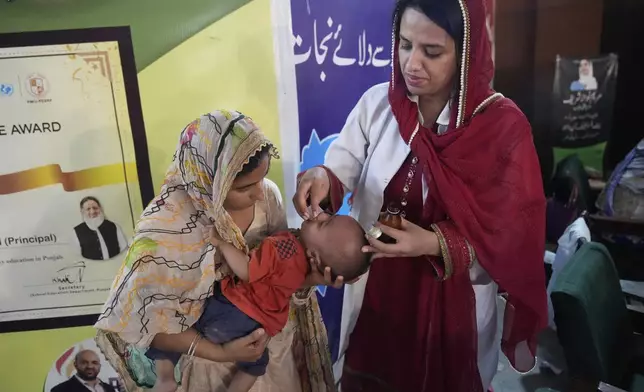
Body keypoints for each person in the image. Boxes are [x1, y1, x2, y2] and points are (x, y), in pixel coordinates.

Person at [294, 0, 548, 391]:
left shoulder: (502, 129)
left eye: (432, 52)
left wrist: (433, 242)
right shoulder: (379, 105)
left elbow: (513, 238)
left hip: (452, 306)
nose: (412, 64)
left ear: (466, 53)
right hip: (380, 291)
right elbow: (341, 167)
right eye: (404, 44)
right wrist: (321, 178)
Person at [95, 110, 339, 392]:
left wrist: (312, 278)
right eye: (245, 187)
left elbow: (280, 280)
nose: (259, 193)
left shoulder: (268, 198)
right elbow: (149, 327)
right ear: (211, 184)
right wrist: (222, 353)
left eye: (263, 179)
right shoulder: (170, 228)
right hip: (208, 369)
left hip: (271, 359)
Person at [149, 213, 369, 392]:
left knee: (177, 323)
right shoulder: (303, 266)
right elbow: (297, 283)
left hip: (229, 312)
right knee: (256, 363)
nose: (320, 214)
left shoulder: (285, 248)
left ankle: (166, 377)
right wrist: (319, 278)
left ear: (315, 257)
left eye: (324, 223)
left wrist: (222, 243)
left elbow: (246, 270)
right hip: (255, 328)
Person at [72, 196, 128, 261]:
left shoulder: (114, 226)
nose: (92, 212)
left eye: (95, 208)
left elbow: (124, 250)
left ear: (100, 209)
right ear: (82, 211)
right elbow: (77, 258)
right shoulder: (76, 232)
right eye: (88, 209)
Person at [51, 350, 117, 392]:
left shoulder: (109, 389)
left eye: (94, 362)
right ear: (75, 365)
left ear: (99, 365)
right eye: (84, 362)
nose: (90, 366)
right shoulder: (60, 390)